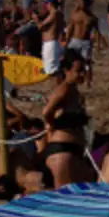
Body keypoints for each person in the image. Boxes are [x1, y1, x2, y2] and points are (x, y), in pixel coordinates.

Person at [42, 50, 96, 187]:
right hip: (62, 150)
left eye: (84, 70)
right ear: (67, 71)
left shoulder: (74, 91)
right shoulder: (64, 89)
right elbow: (46, 111)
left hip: (73, 150)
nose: (83, 74)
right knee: (65, 196)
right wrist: (51, 123)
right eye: (78, 71)